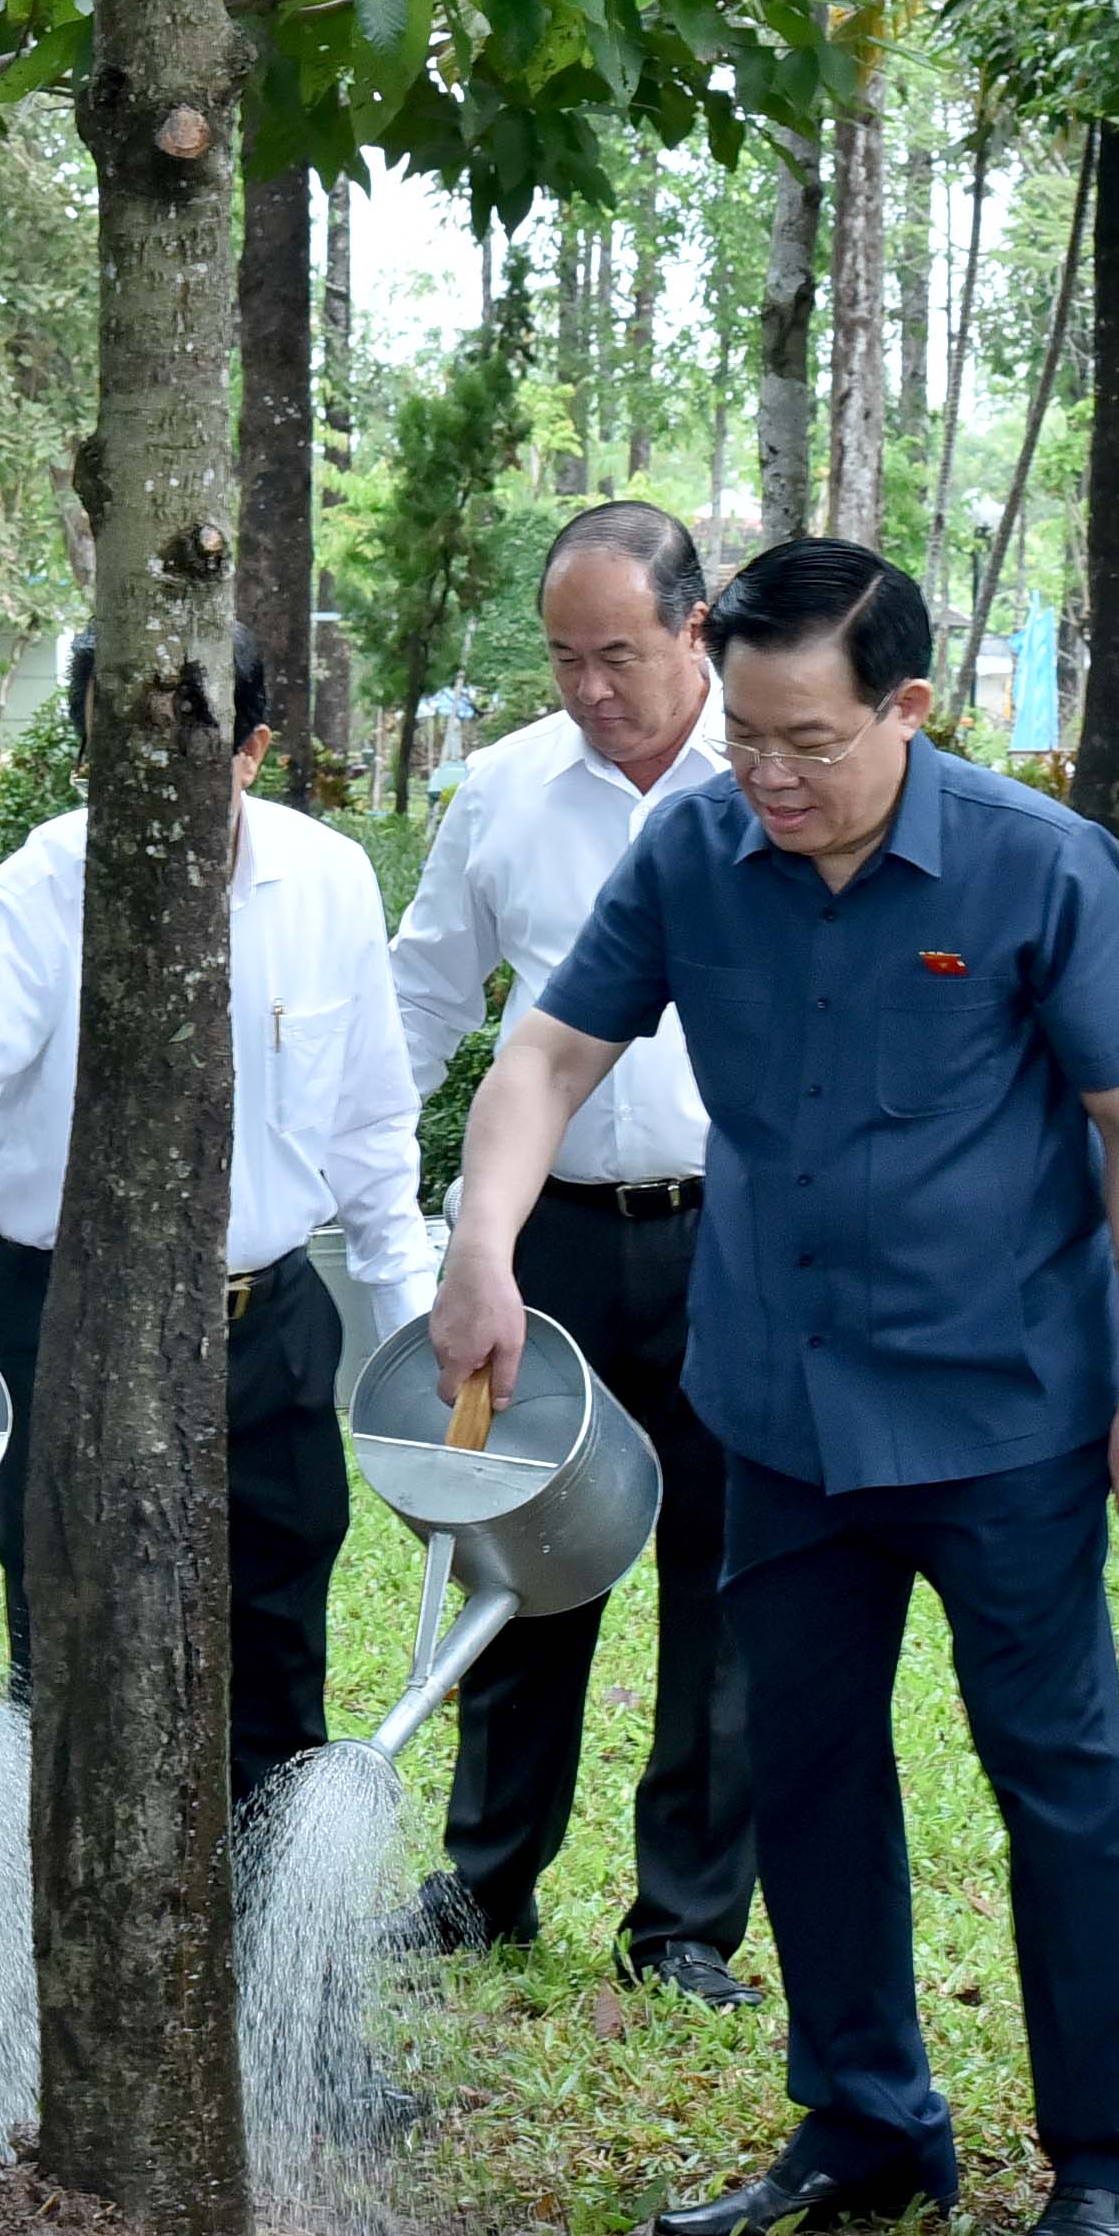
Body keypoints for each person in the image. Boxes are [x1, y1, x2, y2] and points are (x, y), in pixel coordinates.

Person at [430, 539, 1119, 2236]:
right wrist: (482, 1242)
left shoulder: (1035, 866)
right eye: (753, 738)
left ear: (908, 709)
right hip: (781, 1407)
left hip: (1004, 1411)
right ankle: (866, 2122)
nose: (770, 778)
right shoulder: (697, 853)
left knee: (1058, 1773)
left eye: (810, 742)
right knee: (808, 1767)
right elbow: (545, 1056)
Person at [0, 628, 435, 1798]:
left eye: (190, 748)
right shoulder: (30, 898)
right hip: (68, 1328)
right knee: (75, 1666)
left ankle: (263, 1967)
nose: (146, 782)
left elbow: (370, 1125)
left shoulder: (329, 883)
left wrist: (413, 1327)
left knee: (274, 1668)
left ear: (255, 750)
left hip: (269, 1330)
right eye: (117, 748)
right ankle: (74, 1967)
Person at [385, 501, 757, 2000]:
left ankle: (682, 1928)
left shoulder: (780, 773)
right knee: (521, 1559)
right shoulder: (504, 788)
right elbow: (421, 995)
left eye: (617, 654)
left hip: (731, 1236)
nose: (590, 688)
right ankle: (486, 1880)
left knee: (722, 1584)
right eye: (562, 658)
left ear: (693, 632)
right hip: (551, 1240)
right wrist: (349, 1181)